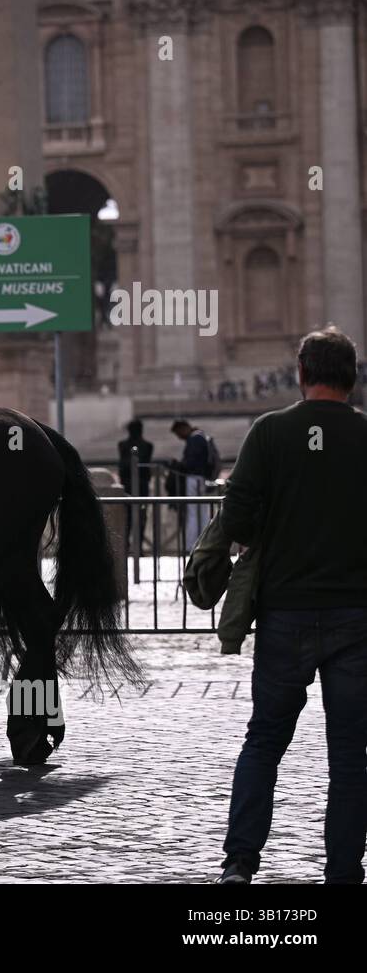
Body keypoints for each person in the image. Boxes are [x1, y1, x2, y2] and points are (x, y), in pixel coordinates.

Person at [216, 327, 367, 885]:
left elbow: (236, 521)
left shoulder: (270, 432)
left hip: (283, 613)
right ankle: (345, 872)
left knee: (264, 742)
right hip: (357, 616)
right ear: (352, 376)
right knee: (351, 754)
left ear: (300, 374)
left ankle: (240, 864)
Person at [169, 418, 215, 551]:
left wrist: (178, 465)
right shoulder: (201, 437)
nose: (179, 437)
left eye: (178, 433)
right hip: (200, 479)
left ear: (183, 428)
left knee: (193, 513)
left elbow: (190, 463)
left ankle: (191, 546)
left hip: (193, 479)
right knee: (202, 513)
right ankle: (205, 543)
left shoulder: (194, 439)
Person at [116, 419, 154, 556]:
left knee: (130, 517)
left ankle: (127, 546)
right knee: (139, 516)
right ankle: (136, 547)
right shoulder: (147, 446)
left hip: (128, 485)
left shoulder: (123, 445)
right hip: (140, 485)